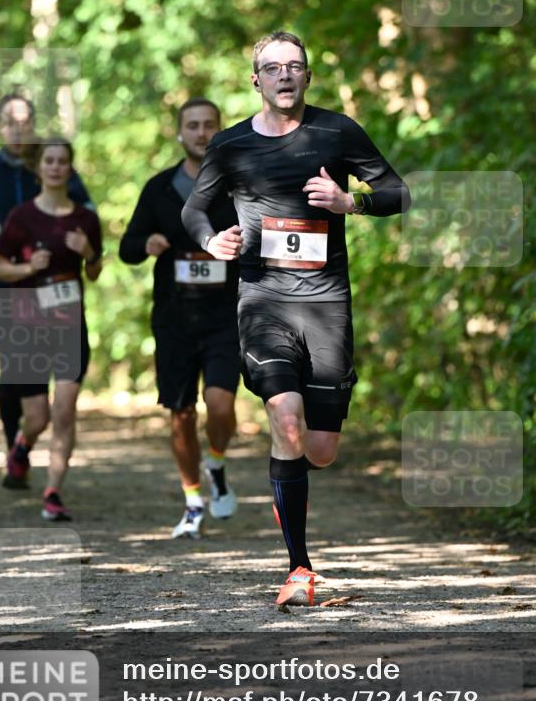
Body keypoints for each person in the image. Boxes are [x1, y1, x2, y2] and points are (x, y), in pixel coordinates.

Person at [182, 31, 411, 605]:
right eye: (272, 66)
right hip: (263, 302)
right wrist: (213, 242)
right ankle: (299, 569)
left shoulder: (337, 132)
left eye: (295, 66)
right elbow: (194, 209)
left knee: (322, 448)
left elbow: (398, 193)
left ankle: (299, 494)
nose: (285, 74)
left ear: (307, 77)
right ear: (255, 79)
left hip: (328, 304)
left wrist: (348, 203)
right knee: (286, 420)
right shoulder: (231, 146)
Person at [120, 99, 239, 539]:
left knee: (222, 405)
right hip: (174, 318)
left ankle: (218, 460)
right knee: (181, 414)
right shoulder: (159, 188)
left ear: (220, 131)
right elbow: (126, 248)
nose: (201, 132)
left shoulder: (237, 185)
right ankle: (193, 500)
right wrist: (146, 242)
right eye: (193, 125)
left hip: (226, 313)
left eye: (209, 125)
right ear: (179, 133)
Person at [0, 139, 102, 521]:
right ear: (39, 170)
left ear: (70, 168)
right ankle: (22, 446)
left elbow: (94, 272)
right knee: (37, 416)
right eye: (49, 161)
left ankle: (53, 491)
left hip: (71, 327)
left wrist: (88, 253)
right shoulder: (21, 217)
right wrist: (28, 268)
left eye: (63, 162)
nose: (56, 167)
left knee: (65, 411)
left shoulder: (85, 220)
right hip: (28, 326)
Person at [0, 93, 93, 454]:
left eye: (24, 122)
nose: (17, 129)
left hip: (51, 285)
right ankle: (17, 442)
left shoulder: (49, 163)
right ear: (0, 126)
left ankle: (22, 442)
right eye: (10, 122)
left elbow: (84, 209)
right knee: (14, 370)